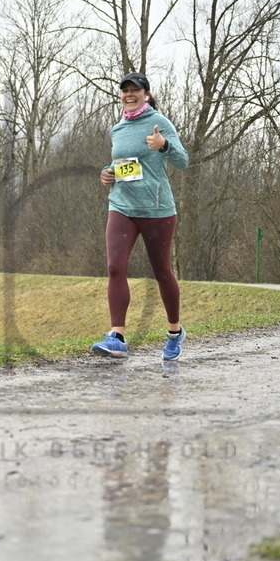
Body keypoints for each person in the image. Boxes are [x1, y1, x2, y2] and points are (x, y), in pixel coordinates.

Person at [91, 72, 190, 360]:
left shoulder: (159, 123)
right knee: (114, 267)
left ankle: (174, 331)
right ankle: (117, 336)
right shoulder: (117, 128)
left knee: (162, 272)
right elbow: (122, 163)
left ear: (146, 94)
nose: (129, 94)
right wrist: (107, 173)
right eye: (125, 90)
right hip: (121, 205)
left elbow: (182, 161)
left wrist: (165, 146)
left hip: (156, 209)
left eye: (135, 90)